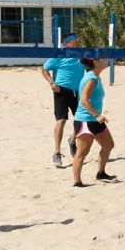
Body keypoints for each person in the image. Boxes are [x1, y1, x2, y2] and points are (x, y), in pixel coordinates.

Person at [40, 33, 85, 167]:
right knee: (61, 120)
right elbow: (44, 70)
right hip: (61, 90)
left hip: (78, 91)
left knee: (81, 121)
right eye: (74, 41)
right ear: (66, 44)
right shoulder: (58, 55)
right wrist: (51, 83)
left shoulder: (81, 55)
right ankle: (57, 152)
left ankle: (72, 140)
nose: (77, 43)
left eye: (78, 40)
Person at [71, 57, 116, 188]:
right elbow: (84, 100)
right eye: (102, 58)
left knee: (108, 145)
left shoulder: (96, 77)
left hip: (95, 120)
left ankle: (101, 173)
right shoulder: (91, 79)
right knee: (82, 152)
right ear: (95, 62)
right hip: (86, 120)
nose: (106, 59)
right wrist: (97, 115)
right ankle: (77, 181)